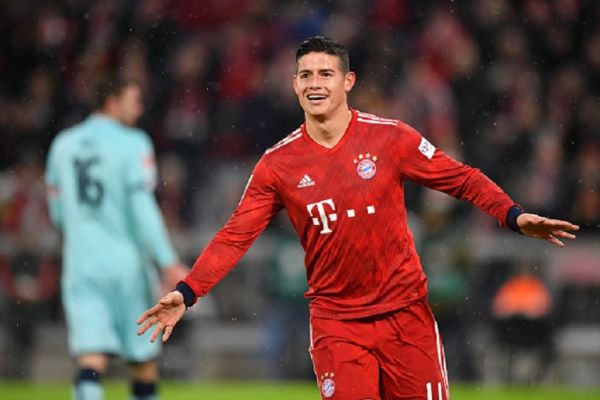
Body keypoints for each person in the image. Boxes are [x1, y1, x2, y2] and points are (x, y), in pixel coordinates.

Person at [137, 36, 579, 399]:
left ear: (347, 81)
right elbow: (236, 235)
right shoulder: (278, 165)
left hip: (406, 316)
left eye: (326, 74)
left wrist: (513, 215)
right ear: (293, 85)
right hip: (337, 325)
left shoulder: (390, 139)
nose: (316, 83)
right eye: (306, 75)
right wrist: (188, 290)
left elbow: (460, 178)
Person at [46, 76, 188, 400]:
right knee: (142, 361)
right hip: (127, 266)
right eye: (133, 101)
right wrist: (168, 262)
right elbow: (142, 209)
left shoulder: (63, 145)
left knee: (91, 359)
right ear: (112, 102)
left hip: (80, 265)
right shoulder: (133, 142)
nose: (139, 110)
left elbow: (57, 214)